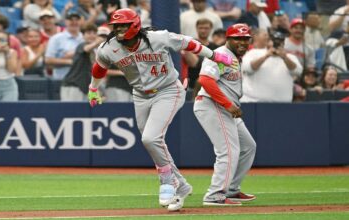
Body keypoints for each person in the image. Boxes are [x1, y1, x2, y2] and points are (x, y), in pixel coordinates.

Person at [88, 8, 234, 211]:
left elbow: (188, 43)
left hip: (168, 90)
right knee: (153, 143)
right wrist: (93, 88)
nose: (119, 29)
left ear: (135, 25)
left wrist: (214, 55)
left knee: (150, 138)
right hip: (140, 95)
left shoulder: (158, 38)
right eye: (116, 26)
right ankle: (181, 184)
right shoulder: (108, 48)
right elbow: (99, 67)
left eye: (123, 25)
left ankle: (167, 181)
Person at [193, 23, 256, 206]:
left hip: (226, 108)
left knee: (248, 146)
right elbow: (205, 79)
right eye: (238, 38)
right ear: (228, 39)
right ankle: (215, 195)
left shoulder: (236, 57)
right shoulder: (220, 55)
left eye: (245, 38)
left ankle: (232, 189)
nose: (242, 42)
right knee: (228, 151)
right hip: (213, 105)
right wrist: (228, 104)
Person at [241, 30, 302, 102]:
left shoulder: (290, 57)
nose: (277, 43)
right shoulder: (254, 53)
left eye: (280, 41)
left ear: (283, 43)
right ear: (268, 42)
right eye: (274, 41)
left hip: (283, 106)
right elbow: (247, 68)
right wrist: (266, 56)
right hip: (255, 103)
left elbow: (298, 71)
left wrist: (284, 57)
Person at [61, 23, 104, 101]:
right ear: (83, 35)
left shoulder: (94, 52)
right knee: (72, 112)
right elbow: (86, 49)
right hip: (72, 85)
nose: (92, 35)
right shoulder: (82, 45)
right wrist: (97, 42)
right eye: (88, 33)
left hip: (83, 86)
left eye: (94, 33)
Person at [45, 10, 83, 79]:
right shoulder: (56, 38)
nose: (74, 22)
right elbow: (48, 60)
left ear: (81, 21)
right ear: (65, 22)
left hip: (82, 80)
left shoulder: (85, 39)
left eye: (76, 20)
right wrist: (69, 61)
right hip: (61, 79)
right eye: (71, 20)